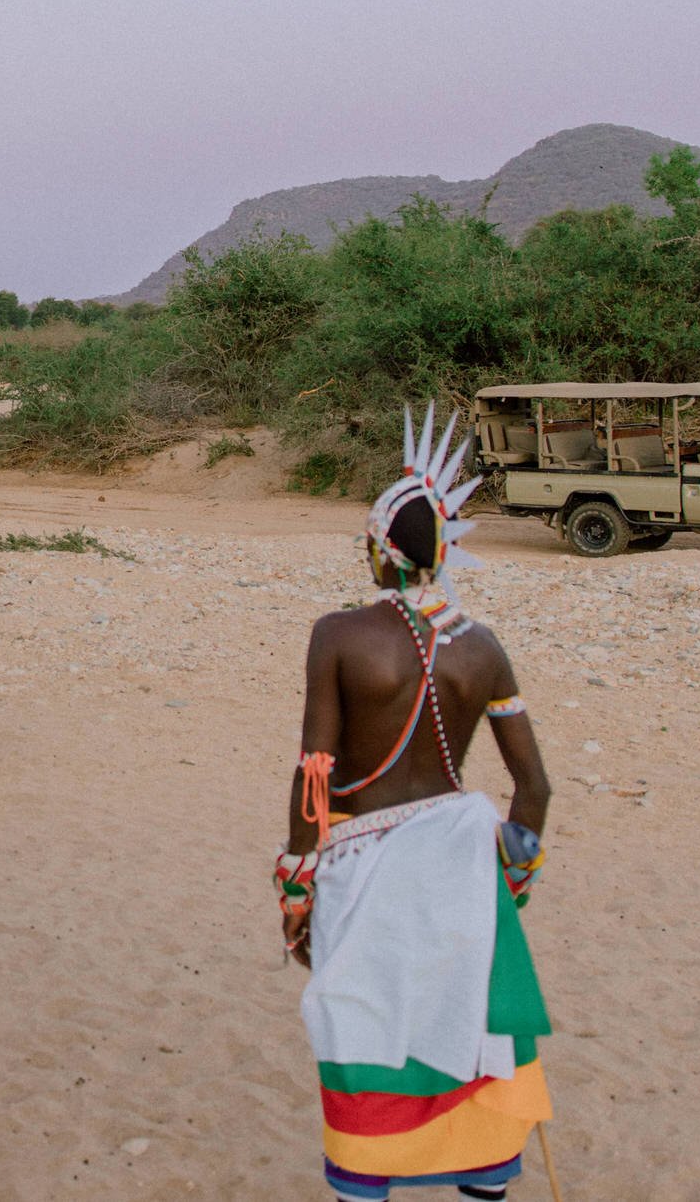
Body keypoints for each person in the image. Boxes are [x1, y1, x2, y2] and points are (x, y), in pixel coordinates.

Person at [276, 407, 555, 1202]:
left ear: (378, 549)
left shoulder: (338, 636)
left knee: (365, 1031)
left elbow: (315, 772)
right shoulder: (483, 646)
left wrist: (297, 884)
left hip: (364, 868)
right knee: (466, 1032)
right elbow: (534, 787)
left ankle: (368, 1183)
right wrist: (514, 875)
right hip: (465, 866)